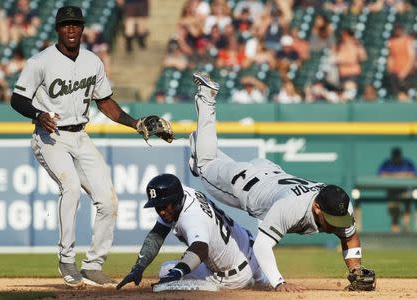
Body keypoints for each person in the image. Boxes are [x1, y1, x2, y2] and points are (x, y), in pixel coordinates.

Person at [10, 6, 172, 288]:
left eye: (76, 25)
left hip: (80, 135)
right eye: (66, 25)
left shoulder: (92, 62)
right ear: (58, 29)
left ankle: (93, 265)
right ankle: (66, 259)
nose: (71, 30)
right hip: (50, 136)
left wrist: (135, 124)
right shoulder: (40, 61)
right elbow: (17, 99)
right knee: (70, 187)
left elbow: (105, 102)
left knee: (108, 202)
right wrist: (38, 114)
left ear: (83, 28)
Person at [188, 72, 375, 292]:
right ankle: (206, 96)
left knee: (205, 155)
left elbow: (350, 236)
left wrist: (355, 270)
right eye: (331, 219)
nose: (335, 224)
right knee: (205, 165)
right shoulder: (291, 208)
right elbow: (262, 246)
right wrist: (279, 282)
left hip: (270, 173)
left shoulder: (338, 203)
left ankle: (199, 143)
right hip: (245, 185)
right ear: (317, 208)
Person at [116, 174, 267, 290]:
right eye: (157, 206)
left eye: (163, 206)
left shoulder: (192, 216)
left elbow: (200, 248)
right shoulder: (183, 194)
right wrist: (138, 268)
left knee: (171, 277)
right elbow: (157, 235)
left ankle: (249, 282)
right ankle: (261, 279)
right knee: (165, 270)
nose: (161, 211)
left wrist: (178, 273)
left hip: (232, 276)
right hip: (248, 248)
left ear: (175, 200)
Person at [377, 147, 416, 233]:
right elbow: (381, 174)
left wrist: (395, 175)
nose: (396, 158)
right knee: (394, 212)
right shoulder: (387, 163)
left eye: (398, 155)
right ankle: (395, 233)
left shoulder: (407, 163)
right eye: (395, 156)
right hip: (392, 190)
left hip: (405, 189)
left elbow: (413, 174)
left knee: (407, 200)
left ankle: (406, 225)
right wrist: (399, 175)